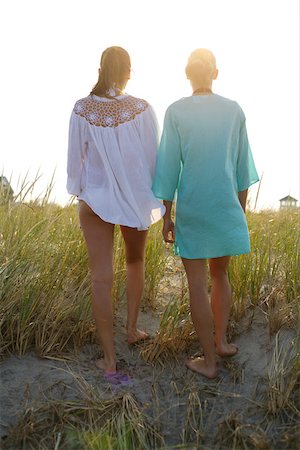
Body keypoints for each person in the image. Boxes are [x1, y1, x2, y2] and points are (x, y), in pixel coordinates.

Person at [152, 48, 259, 379]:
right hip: (225, 208)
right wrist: (238, 212)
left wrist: (166, 215)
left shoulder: (176, 112)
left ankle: (209, 362)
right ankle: (222, 342)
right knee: (220, 275)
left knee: (197, 284)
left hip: (194, 209)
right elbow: (243, 170)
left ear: (187, 75)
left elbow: (168, 168)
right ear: (216, 73)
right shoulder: (233, 110)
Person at [67, 46, 165, 383]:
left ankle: (109, 361)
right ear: (127, 72)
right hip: (134, 200)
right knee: (135, 262)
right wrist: (157, 200)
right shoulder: (142, 109)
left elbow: (74, 163)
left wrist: (82, 187)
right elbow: (153, 160)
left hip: (94, 201)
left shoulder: (82, 109)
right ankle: (133, 329)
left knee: (101, 278)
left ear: (100, 68)